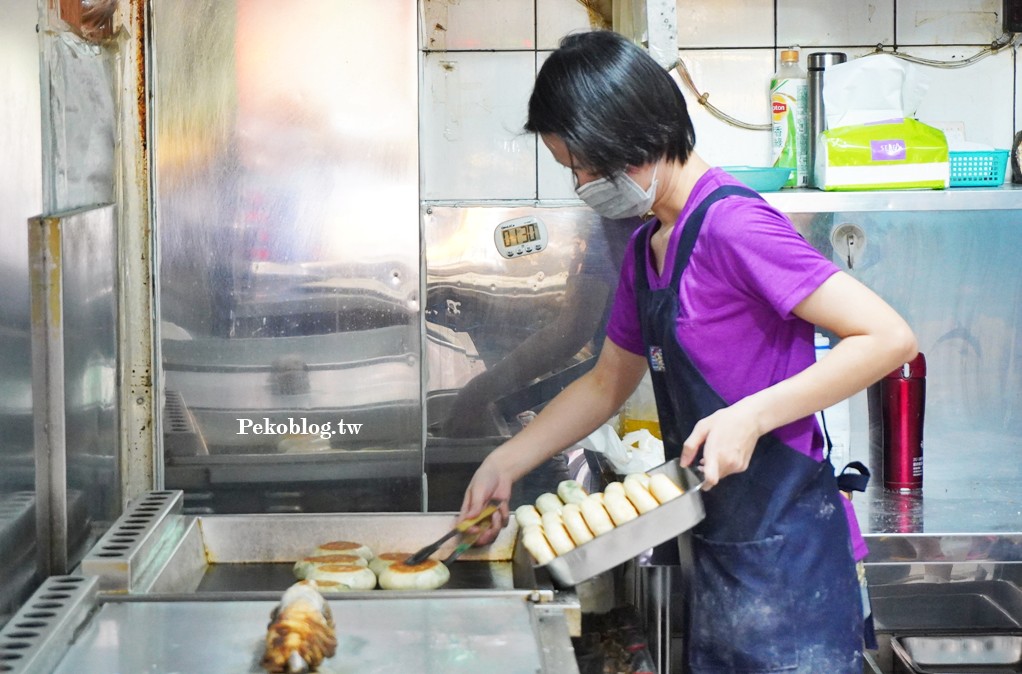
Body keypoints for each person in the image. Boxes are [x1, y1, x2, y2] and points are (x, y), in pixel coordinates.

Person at [458, 30, 917, 673]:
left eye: (584, 165)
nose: (582, 183)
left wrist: (751, 417)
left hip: (790, 559)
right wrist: (505, 462)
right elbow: (606, 383)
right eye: (572, 169)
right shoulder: (647, 247)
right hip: (720, 552)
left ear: (632, 138)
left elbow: (888, 337)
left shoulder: (735, 226)